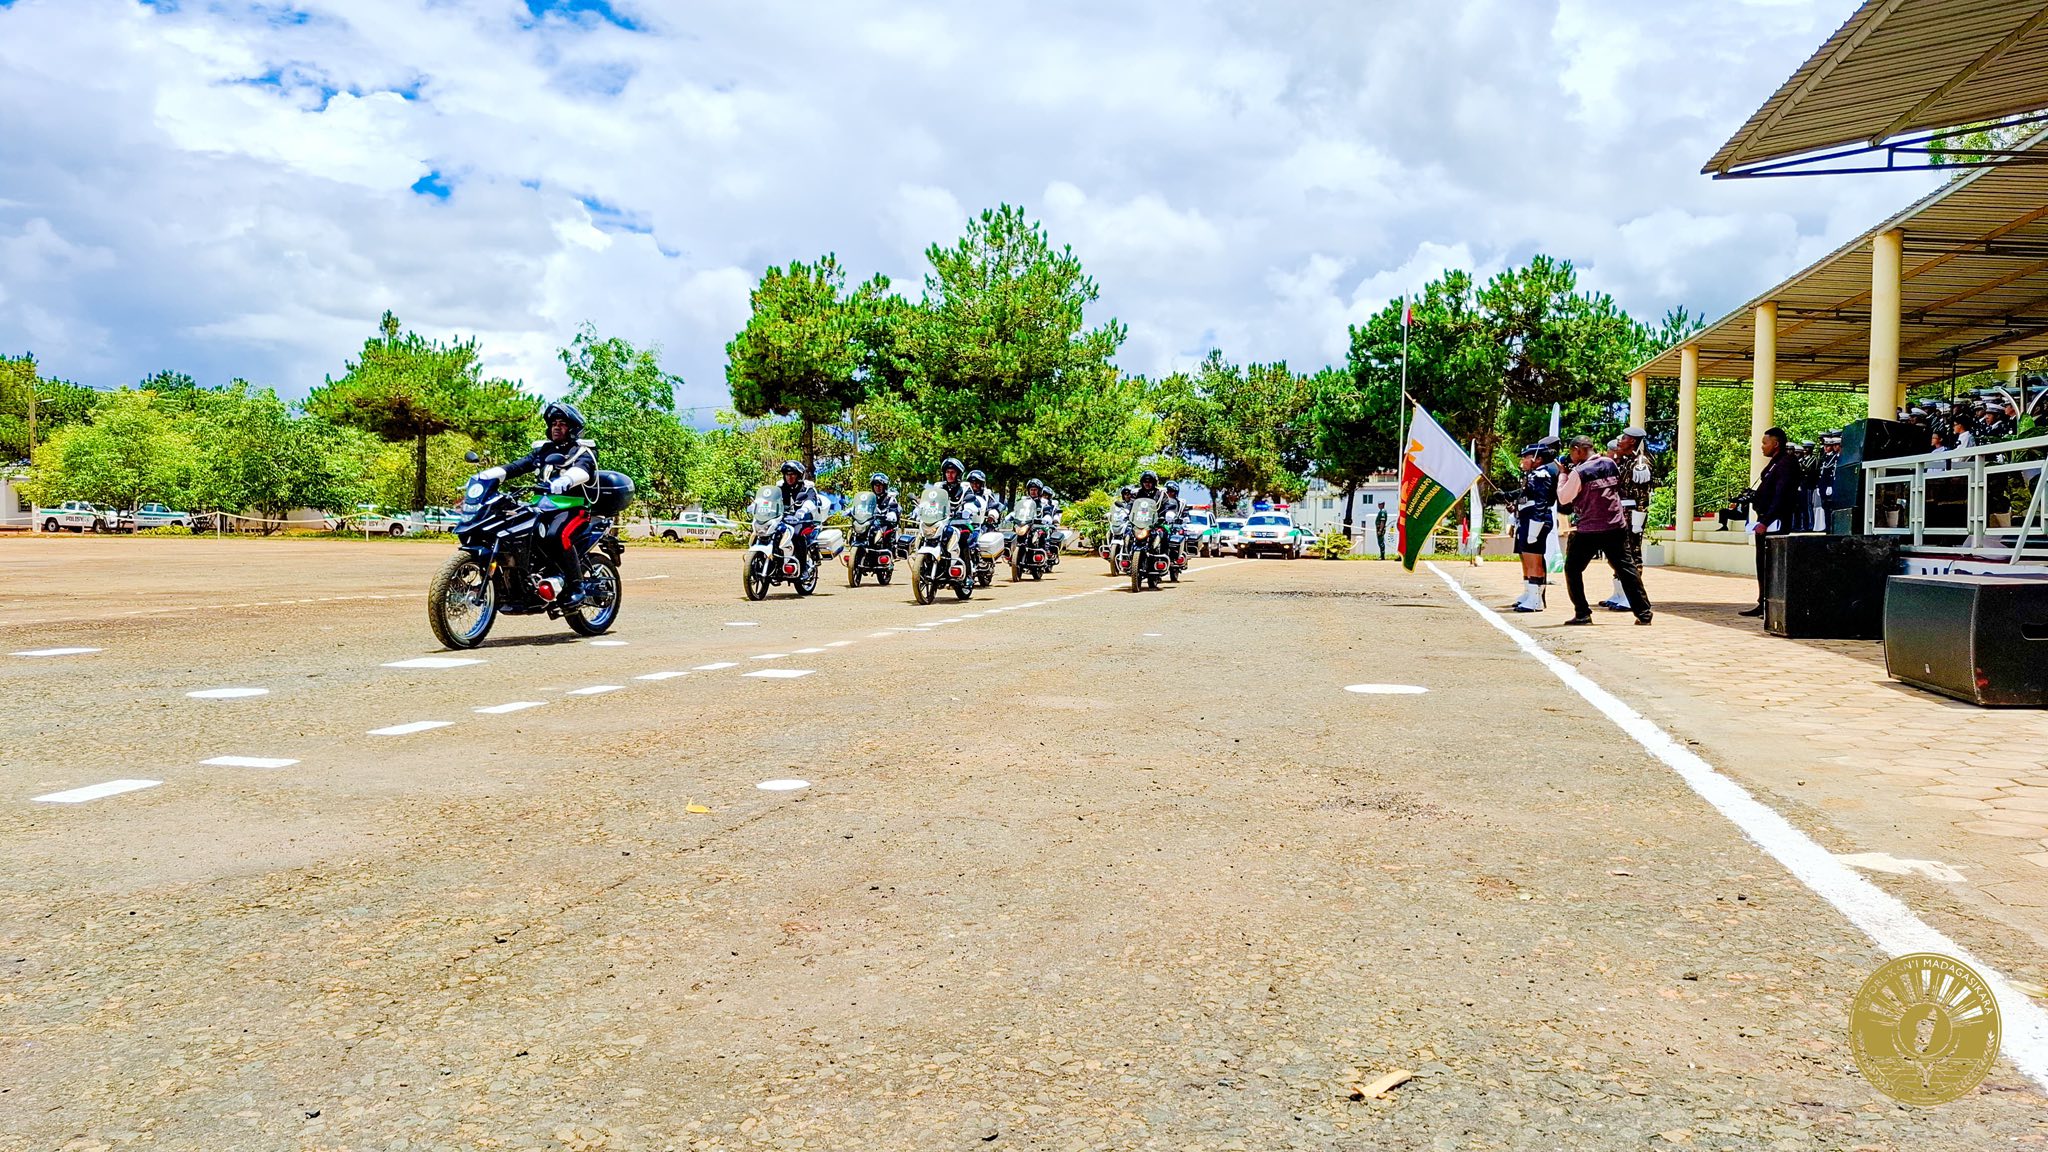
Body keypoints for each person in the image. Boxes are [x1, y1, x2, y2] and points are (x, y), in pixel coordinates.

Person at [482, 400, 599, 608]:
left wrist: (567, 479)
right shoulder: (543, 450)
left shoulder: (582, 451)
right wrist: (488, 475)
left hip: (573, 509)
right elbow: (517, 466)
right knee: (512, 530)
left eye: (562, 424)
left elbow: (583, 470)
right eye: (554, 423)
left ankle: (577, 586)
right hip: (541, 508)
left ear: (572, 428)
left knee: (557, 535)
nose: (556, 427)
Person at [1556, 435, 1652, 625]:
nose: (1571, 456)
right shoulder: (1610, 464)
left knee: (1573, 569)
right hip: (1615, 526)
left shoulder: (1579, 472)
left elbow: (1563, 497)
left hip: (1589, 529)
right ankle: (1644, 614)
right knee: (1627, 569)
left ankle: (1582, 613)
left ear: (1578, 450)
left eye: (1572, 452)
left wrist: (1563, 475)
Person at [1742, 426, 1802, 619]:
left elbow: (1781, 495)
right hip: (1765, 519)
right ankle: (1762, 602)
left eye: (1764, 443)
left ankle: (1770, 604)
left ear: (1775, 444)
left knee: (1772, 564)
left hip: (1775, 522)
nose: (1762, 447)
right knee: (1762, 563)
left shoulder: (1786, 463)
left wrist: (1766, 521)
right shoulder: (1775, 462)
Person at [1599, 426, 1654, 611]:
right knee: (1618, 554)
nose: (1619, 441)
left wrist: (1638, 519)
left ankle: (1632, 598)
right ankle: (1620, 593)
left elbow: (1642, 495)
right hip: (1621, 512)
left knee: (1632, 555)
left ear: (1632, 441)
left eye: (1623, 438)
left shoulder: (1640, 463)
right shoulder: (1626, 461)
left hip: (1632, 514)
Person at [1509, 437, 1560, 612]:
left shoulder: (1542, 474)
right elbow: (1525, 495)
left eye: (1526, 457)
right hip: (1527, 517)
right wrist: (1507, 496)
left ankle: (1536, 600)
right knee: (1528, 558)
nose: (1523, 460)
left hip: (1535, 519)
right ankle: (1530, 595)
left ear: (1537, 459)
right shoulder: (1534, 474)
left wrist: (1536, 525)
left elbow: (1541, 502)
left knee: (1534, 560)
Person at [776, 461, 824, 577]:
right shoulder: (780, 487)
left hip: (804, 520)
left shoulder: (807, 488)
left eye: (793, 474)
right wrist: (757, 505)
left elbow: (811, 501)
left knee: (797, 534)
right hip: (784, 519)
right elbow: (770, 499)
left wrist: (802, 511)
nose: (789, 477)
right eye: (787, 474)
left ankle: (803, 569)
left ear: (799, 475)